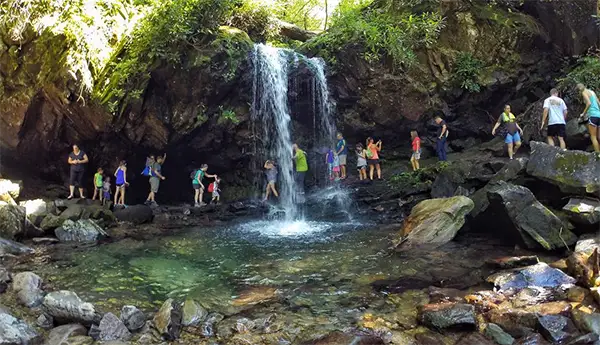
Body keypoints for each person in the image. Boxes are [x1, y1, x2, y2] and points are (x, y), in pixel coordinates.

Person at [578, 83, 600, 152]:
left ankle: (598, 155)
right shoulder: (592, 92)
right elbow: (598, 103)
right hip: (599, 114)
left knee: (593, 137)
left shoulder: (584, 92)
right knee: (599, 137)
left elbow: (589, 103)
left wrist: (583, 114)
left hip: (593, 115)